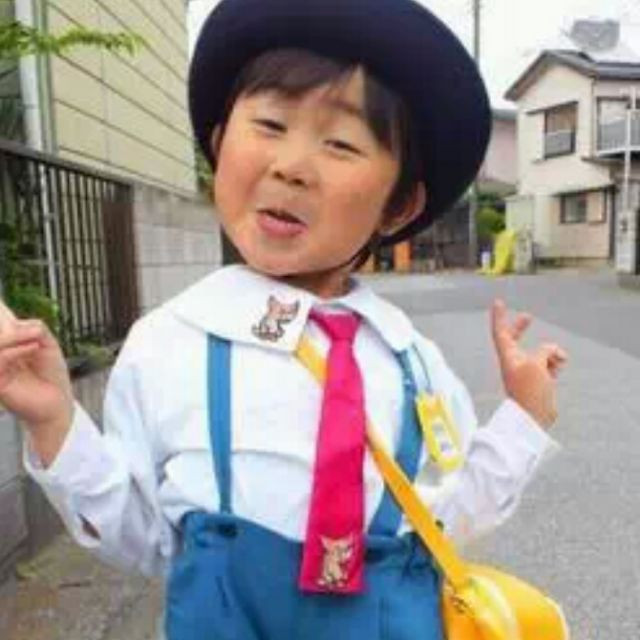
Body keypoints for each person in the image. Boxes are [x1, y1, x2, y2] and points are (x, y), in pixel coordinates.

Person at [0, 0, 568, 638]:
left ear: (399, 205)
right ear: (220, 141)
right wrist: (55, 422)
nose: (291, 166)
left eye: (340, 143)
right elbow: (145, 539)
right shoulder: (167, 344)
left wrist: (523, 419)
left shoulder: (412, 360)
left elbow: (449, 518)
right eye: (270, 124)